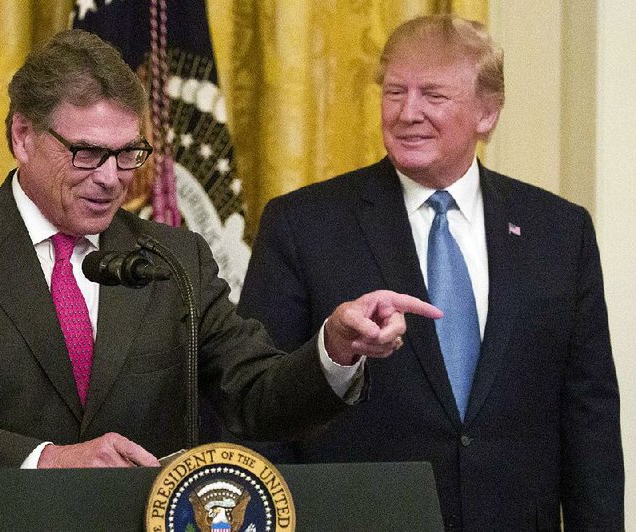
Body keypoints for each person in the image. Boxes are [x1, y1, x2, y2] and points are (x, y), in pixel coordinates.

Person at [0, 29, 440, 505]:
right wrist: (48, 461)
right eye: (87, 153)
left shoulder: (174, 259)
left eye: (128, 154)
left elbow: (257, 396)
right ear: (22, 136)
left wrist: (334, 349)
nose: (112, 177)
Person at [236, 14, 623, 531]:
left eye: (433, 96)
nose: (407, 113)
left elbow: (589, 417)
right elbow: (258, 404)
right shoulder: (304, 224)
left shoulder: (559, 231)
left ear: (487, 113)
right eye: (395, 92)